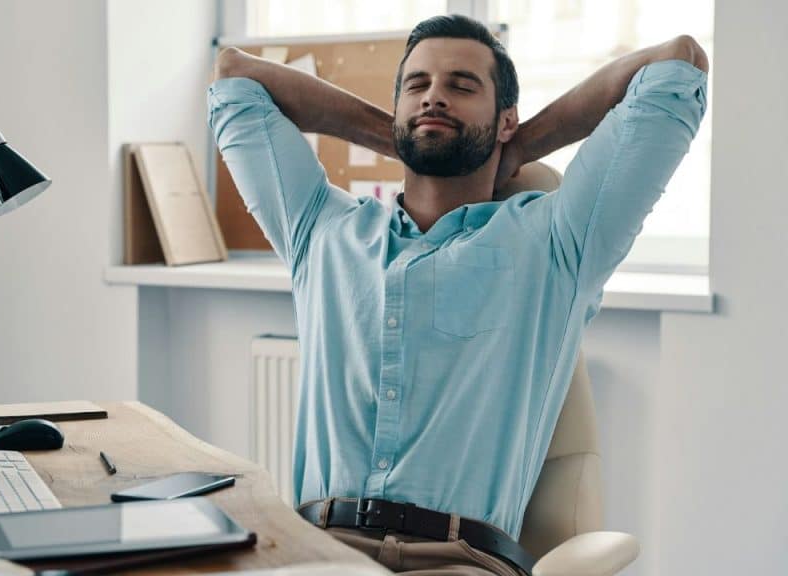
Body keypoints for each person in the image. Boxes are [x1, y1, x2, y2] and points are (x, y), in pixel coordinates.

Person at [208, 14, 708, 576]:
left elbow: (678, 63)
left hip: (458, 561)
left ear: (505, 118)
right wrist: (398, 134)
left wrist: (518, 145)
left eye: (462, 86)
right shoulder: (321, 229)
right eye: (416, 86)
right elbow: (234, 76)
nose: (434, 97)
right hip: (316, 549)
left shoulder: (557, 241)